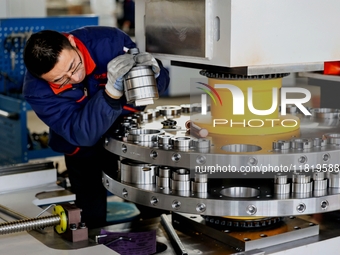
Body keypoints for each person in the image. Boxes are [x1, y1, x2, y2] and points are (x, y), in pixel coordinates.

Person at [23, 26, 170, 228]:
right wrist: (111, 93)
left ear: (73, 43)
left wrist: (154, 75)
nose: (75, 78)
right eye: (60, 80)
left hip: (123, 140)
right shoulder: (37, 92)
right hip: (81, 151)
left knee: (152, 204)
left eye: (74, 65)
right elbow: (82, 134)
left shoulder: (109, 42)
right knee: (90, 215)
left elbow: (145, 95)